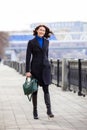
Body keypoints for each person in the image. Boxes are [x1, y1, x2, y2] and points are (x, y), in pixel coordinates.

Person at [26, 24, 54, 119]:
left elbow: (46, 55)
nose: (42, 31)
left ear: (45, 32)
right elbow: (28, 57)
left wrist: (48, 65)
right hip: (35, 69)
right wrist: (27, 71)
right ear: (37, 30)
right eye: (40, 29)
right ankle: (35, 111)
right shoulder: (31, 42)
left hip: (45, 69)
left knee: (46, 89)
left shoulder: (47, 42)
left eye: (43, 30)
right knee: (35, 91)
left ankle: (49, 110)